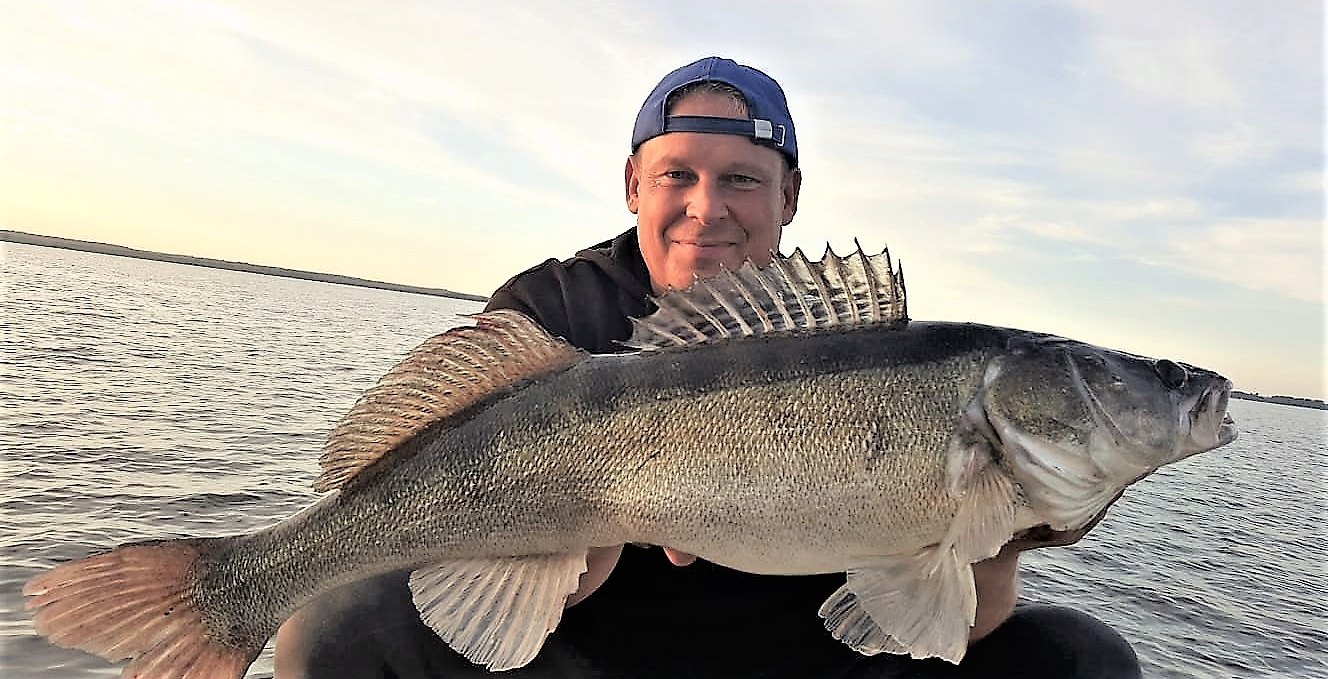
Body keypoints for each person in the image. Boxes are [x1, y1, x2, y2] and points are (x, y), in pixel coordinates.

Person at [275, 56, 1143, 678]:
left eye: (742, 180)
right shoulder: (554, 311)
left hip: (805, 652)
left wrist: (992, 539)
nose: (707, 208)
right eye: (677, 175)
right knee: (337, 625)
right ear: (632, 185)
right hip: (585, 654)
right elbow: (510, 591)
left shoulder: (878, 355)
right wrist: (598, 512)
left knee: (1082, 655)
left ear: (789, 197)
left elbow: (965, 620)